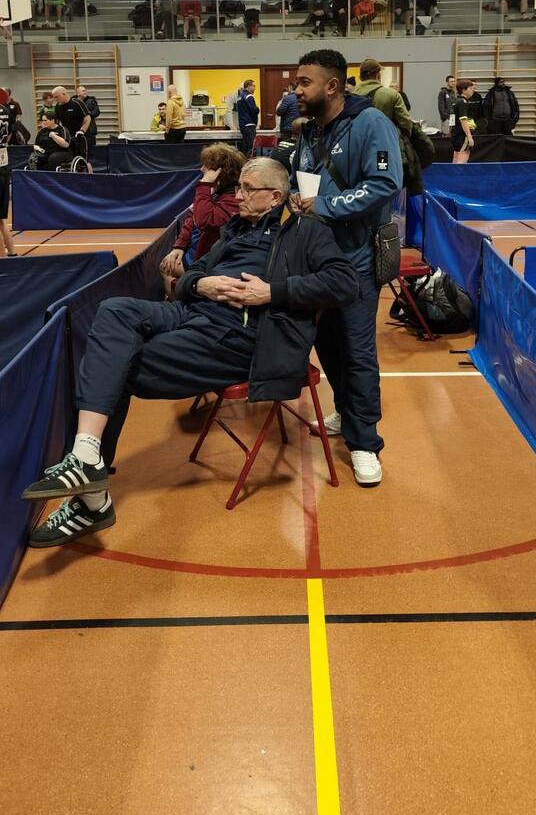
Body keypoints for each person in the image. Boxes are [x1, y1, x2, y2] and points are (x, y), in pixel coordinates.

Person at [22, 156, 359, 546]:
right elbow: (190, 276)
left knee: (114, 367)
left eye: (247, 188)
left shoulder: (306, 231)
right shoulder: (236, 229)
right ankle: (86, 457)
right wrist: (202, 285)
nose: (238, 195)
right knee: (114, 310)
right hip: (193, 312)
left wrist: (271, 292)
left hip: (240, 335)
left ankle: (92, 500)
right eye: (239, 187)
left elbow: (344, 282)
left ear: (275, 196)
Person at [292, 48, 402, 487]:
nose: (296, 90)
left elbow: (385, 183)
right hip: (316, 259)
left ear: (333, 86)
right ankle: (345, 409)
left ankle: (365, 442)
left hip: (356, 259)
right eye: (296, 82)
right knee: (328, 343)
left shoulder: (371, 123)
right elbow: (305, 178)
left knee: (357, 351)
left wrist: (325, 205)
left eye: (305, 82)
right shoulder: (309, 130)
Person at [159, 143, 245, 298]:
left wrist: (204, 184)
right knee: (167, 264)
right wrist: (179, 247)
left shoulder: (232, 198)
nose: (201, 169)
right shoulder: (214, 192)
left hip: (207, 260)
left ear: (219, 172)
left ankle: (178, 303)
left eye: (206, 166)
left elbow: (204, 221)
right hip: (195, 251)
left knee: (165, 268)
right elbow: (192, 216)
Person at [354, 59, 413, 137]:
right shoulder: (392, 95)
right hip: (386, 141)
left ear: (360, 78)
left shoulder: (351, 97)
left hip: (359, 142)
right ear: (378, 75)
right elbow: (406, 123)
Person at [51, 85, 91, 159]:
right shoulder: (57, 107)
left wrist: (82, 130)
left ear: (64, 94)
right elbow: (57, 122)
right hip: (68, 137)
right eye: (54, 97)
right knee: (71, 159)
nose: (55, 99)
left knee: (84, 160)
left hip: (81, 136)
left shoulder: (77, 103)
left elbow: (87, 118)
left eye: (56, 97)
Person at [0, 92, 17, 257]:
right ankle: (12, 253)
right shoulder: (5, 110)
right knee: (1, 220)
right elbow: (11, 132)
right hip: (4, 167)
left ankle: (2, 260)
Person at [451, 79, 475, 163]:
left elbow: (452, 119)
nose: (473, 90)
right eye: (471, 88)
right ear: (464, 90)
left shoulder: (456, 101)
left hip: (455, 133)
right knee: (462, 159)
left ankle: (453, 172)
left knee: (456, 158)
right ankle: (459, 172)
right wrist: (469, 137)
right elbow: (463, 120)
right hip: (462, 135)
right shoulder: (463, 102)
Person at [237, 79, 259, 155]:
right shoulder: (249, 96)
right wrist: (258, 109)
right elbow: (253, 110)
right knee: (251, 148)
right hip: (249, 124)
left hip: (243, 124)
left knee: (245, 147)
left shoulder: (240, 96)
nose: (255, 88)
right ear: (249, 86)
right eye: (254, 86)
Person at [76, 85, 100, 155]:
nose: (85, 92)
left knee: (91, 149)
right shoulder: (74, 101)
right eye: (83, 91)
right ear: (78, 93)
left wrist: (86, 114)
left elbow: (96, 112)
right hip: (78, 129)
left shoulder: (91, 100)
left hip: (91, 129)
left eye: (85, 90)